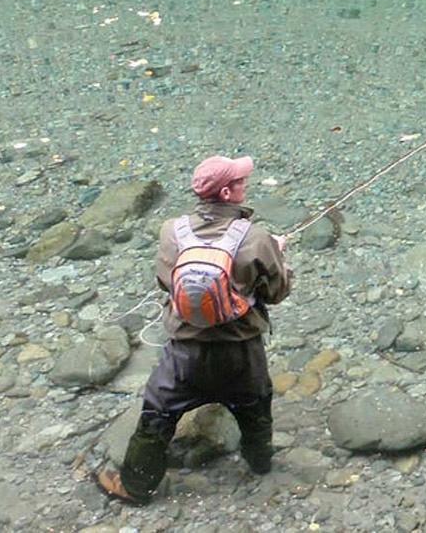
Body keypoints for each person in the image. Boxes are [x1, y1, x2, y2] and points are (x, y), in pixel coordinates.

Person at [96, 154, 293, 505]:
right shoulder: (257, 237)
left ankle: (137, 486)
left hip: (185, 354)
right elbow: (277, 294)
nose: (245, 183)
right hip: (242, 352)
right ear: (229, 192)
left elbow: (164, 282)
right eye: (241, 181)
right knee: (256, 403)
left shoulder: (172, 230)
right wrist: (277, 253)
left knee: (158, 409)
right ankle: (260, 463)